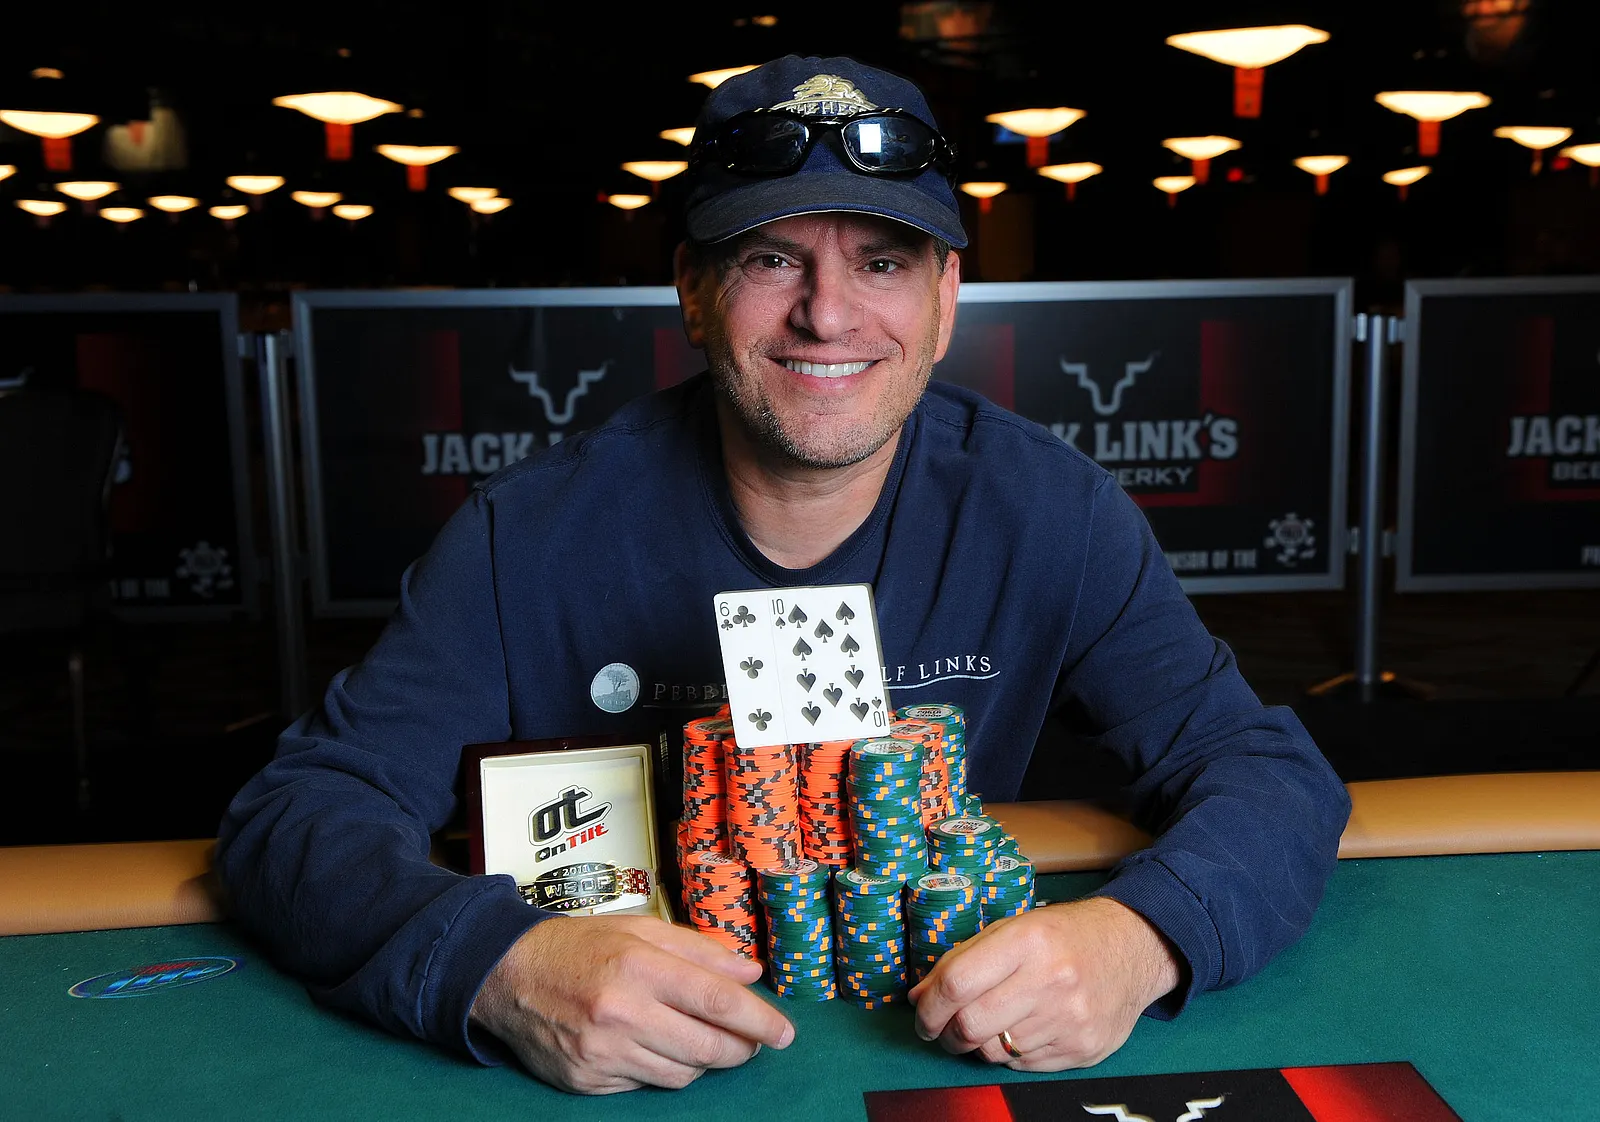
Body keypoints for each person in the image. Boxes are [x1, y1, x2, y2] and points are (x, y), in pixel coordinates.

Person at [217, 55, 1351, 1095]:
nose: (827, 313)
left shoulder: (1053, 513)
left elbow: (1268, 774)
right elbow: (296, 816)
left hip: (926, 1052)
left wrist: (1139, 942)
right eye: (771, 259)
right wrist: (497, 967)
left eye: (882, 262)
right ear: (692, 291)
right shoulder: (529, 534)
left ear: (945, 301)